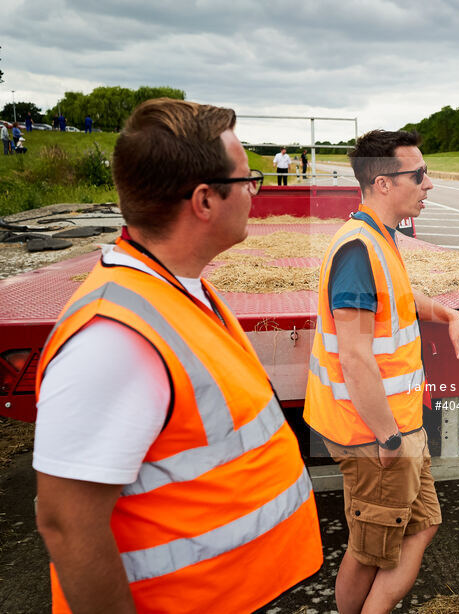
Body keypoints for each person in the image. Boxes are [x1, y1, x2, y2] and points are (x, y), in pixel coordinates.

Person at [33, 98, 323, 613]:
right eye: (246, 179)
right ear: (205, 200)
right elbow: (66, 522)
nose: (254, 192)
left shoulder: (177, 291)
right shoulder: (113, 339)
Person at [305, 129, 459, 614]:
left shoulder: (381, 239)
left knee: (422, 525)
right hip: (374, 433)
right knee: (368, 552)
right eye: (418, 175)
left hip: (398, 425)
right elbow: (354, 357)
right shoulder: (359, 250)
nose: (428, 184)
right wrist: (388, 439)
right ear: (383, 183)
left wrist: (449, 314)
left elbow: (401, 301)